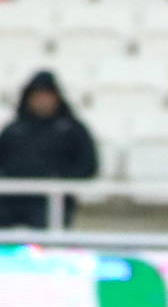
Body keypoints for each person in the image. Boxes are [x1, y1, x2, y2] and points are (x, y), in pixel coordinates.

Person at [0, 70, 98, 230]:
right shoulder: (13, 130)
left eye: (47, 95)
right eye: (37, 96)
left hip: (52, 204)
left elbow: (88, 166)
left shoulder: (72, 129)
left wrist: (59, 179)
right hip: (10, 203)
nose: (42, 101)